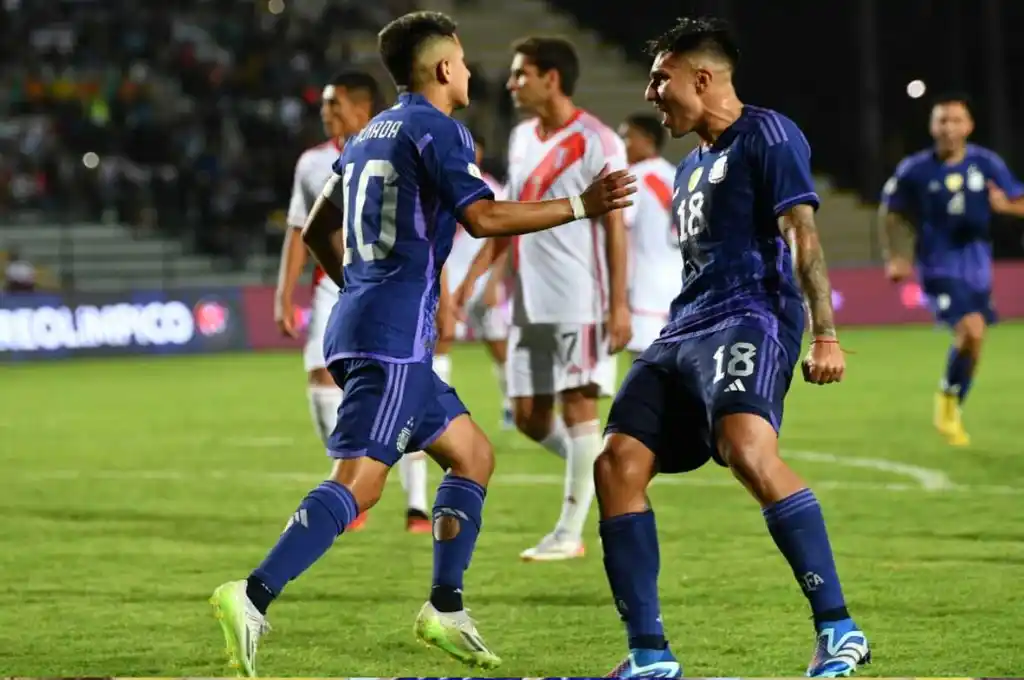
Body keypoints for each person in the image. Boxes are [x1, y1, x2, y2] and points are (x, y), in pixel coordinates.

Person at [209, 11, 636, 677]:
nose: (469, 72)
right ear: (442, 68)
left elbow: (322, 226)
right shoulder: (440, 129)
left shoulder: (368, 133)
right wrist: (581, 206)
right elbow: (483, 216)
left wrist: (362, 283)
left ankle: (444, 607)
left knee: (473, 455)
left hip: (368, 321)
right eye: (463, 61)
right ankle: (254, 593)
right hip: (394, 338)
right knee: (361, 484)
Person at [595, 17, 870, 678]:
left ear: (703, 76)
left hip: (751, 316)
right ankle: (649, 655)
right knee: (615, 465)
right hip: (683, 328)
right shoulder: (691, 167)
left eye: (661, 78)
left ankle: (838, 630)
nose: (651, 91)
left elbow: (802, 235)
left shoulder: (768, 135)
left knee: (747, 449)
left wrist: (825, 331)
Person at [457, 36, 633, 562]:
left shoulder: (599, 140)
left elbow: (616, 228)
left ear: (550, 78)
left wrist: (618, 303)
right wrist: (479, 277)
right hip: (527, 302)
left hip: (581, 297)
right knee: (529, 417)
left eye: (520, 74)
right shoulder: (519, 139)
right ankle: (601, 469)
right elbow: (509, 214)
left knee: (578, 405)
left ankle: (569, 531)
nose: (511, 84)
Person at [274, 70, 434, 532]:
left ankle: (417, 505)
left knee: (402, 388)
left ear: (362, 109)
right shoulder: (311, 163)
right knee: (320, 378)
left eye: (335, 104)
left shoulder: (394, 146)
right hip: (335, 281)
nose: (327, 113)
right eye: (325, 105)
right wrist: (284, 293)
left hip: (389, 283)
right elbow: (300, 230)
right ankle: (347, 485)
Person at [879, 93, 1024, 446]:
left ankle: (951, 401)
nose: (949, 127)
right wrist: (897, 256)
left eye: (956, 120)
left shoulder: (986, 163)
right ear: (932, 126)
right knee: (971, 330)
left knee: (975, 342)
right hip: (937, 264)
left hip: (976, 264)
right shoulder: (915, 169)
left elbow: (1018, 201)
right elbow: (891, 212)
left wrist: (1005, 207)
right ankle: (947, 402)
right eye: (942, 120)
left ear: (969, 126)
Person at [445, 131, 514, 428]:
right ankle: (437, 411)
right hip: (450, 279)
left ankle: (512, 404)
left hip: (482, 279)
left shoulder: (493, 189)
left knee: (498, 346)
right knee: (440, 341)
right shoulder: (443, 183)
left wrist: (493, 282)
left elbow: (504, 237)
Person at [618, 113, 678, 359]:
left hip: (645, 286)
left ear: (647, 139)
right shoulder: (677, 174)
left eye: (627, 137)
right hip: (678, 283)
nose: (622, 144)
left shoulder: (633, 178)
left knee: (645, 370)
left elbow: (620, 228)